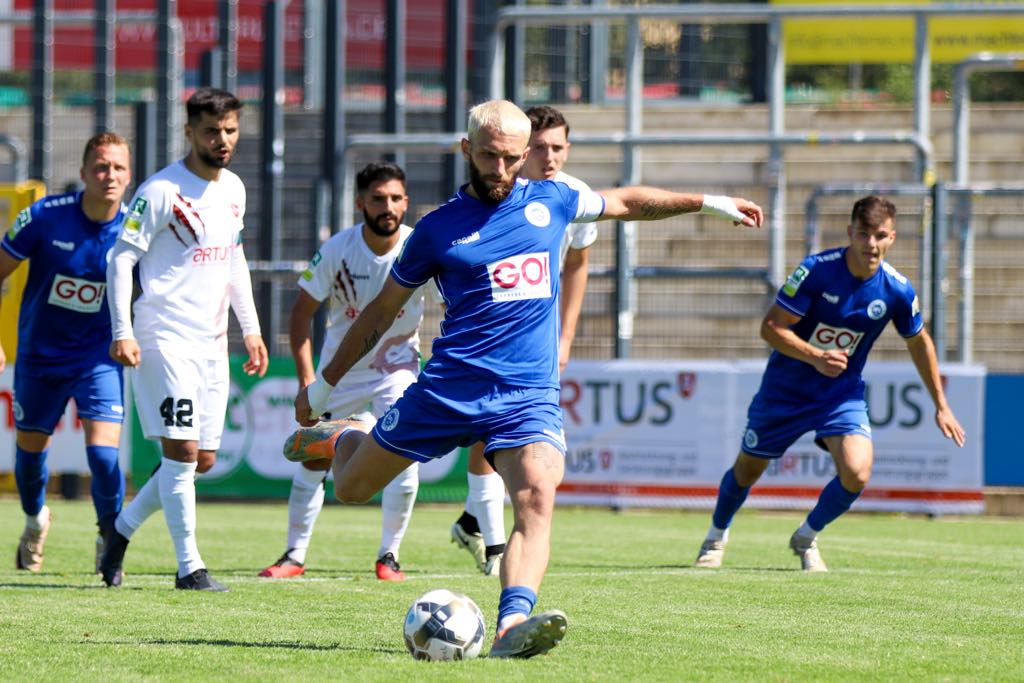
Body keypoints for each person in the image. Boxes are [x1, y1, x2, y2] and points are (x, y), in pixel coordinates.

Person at [287, 99, 762, 657]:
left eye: (513, 158)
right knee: (352, 488)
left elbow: (628, 201)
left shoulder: (554, 200)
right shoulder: (436, 231)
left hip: (526, 395)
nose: (501, 169)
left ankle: (513, 622)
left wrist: (708, 202)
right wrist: (322, 388)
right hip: (447, 390)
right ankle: (345, 435)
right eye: (489, 156)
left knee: (536, 494)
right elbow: (379, 312)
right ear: (466, 150)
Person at [694, 195, 966, 572]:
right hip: (785, 390)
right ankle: (715, 537)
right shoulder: (816, 271)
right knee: (747, 470)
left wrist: (941, 403)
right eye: (864, 234)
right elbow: (770, 328)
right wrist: (815, 357)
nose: (871, 244)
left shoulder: (897, 291)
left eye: (880, 236)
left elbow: (919, 342)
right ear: (850, 232)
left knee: (857, 472)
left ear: (893, 238)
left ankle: (806, 536)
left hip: (840, 393)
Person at [99, 87, 268, 591]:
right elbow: (120, 259)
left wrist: (253, 328)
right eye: (212, 131)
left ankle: (120, 530)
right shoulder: (160, 192)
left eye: (231, 130)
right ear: (190, 131)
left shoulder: (234, 188)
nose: (223, 140)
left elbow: (234, 260)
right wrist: (122, 331)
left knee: (204, 459)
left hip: (212, 344)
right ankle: (189, 567)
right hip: (163, 338)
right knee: (182, 452)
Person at [259, 162, 428, 582]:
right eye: (377, 198)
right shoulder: (337, 249)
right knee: (313, 461)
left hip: (397, 369)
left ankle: (389, 555)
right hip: (341, 374)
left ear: (406, 202)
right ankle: (294, 555)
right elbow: (300, 317)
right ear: (360, 203)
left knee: (405, 459)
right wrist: (307, 383)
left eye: (394, 198)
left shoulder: (422, 246)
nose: (386, 206)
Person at [450, 105, 596, 577]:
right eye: (540, 147)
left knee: (528, 454)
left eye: (558, 147)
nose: (549, 157)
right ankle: (491, 540)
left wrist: (566, 334)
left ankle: (477, 522)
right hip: (487, 325)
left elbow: (576, 263)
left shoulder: (570, 195)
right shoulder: (492, 192)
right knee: (484, 430)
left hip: (535, 332)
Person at [2, 132, 132, 573]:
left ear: (129, 176)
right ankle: (36, 521)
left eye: (117, 167)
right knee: (31, 452)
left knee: (103, 455)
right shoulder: (44, 217)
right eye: (100, 166)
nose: (108, 175)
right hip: (39, 357)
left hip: (98, 358)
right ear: (82, 174)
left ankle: (108, 537)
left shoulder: (137, 228)